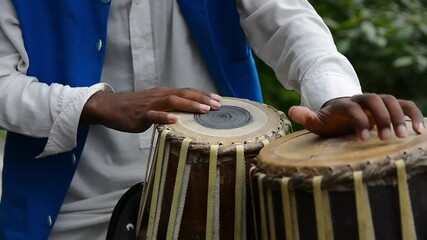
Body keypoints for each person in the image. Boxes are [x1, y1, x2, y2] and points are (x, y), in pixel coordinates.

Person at [0, 0, 423, 239]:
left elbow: (287, 20)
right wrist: (93, 105)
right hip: (71, 214)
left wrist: (337, 96)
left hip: (228, 203)